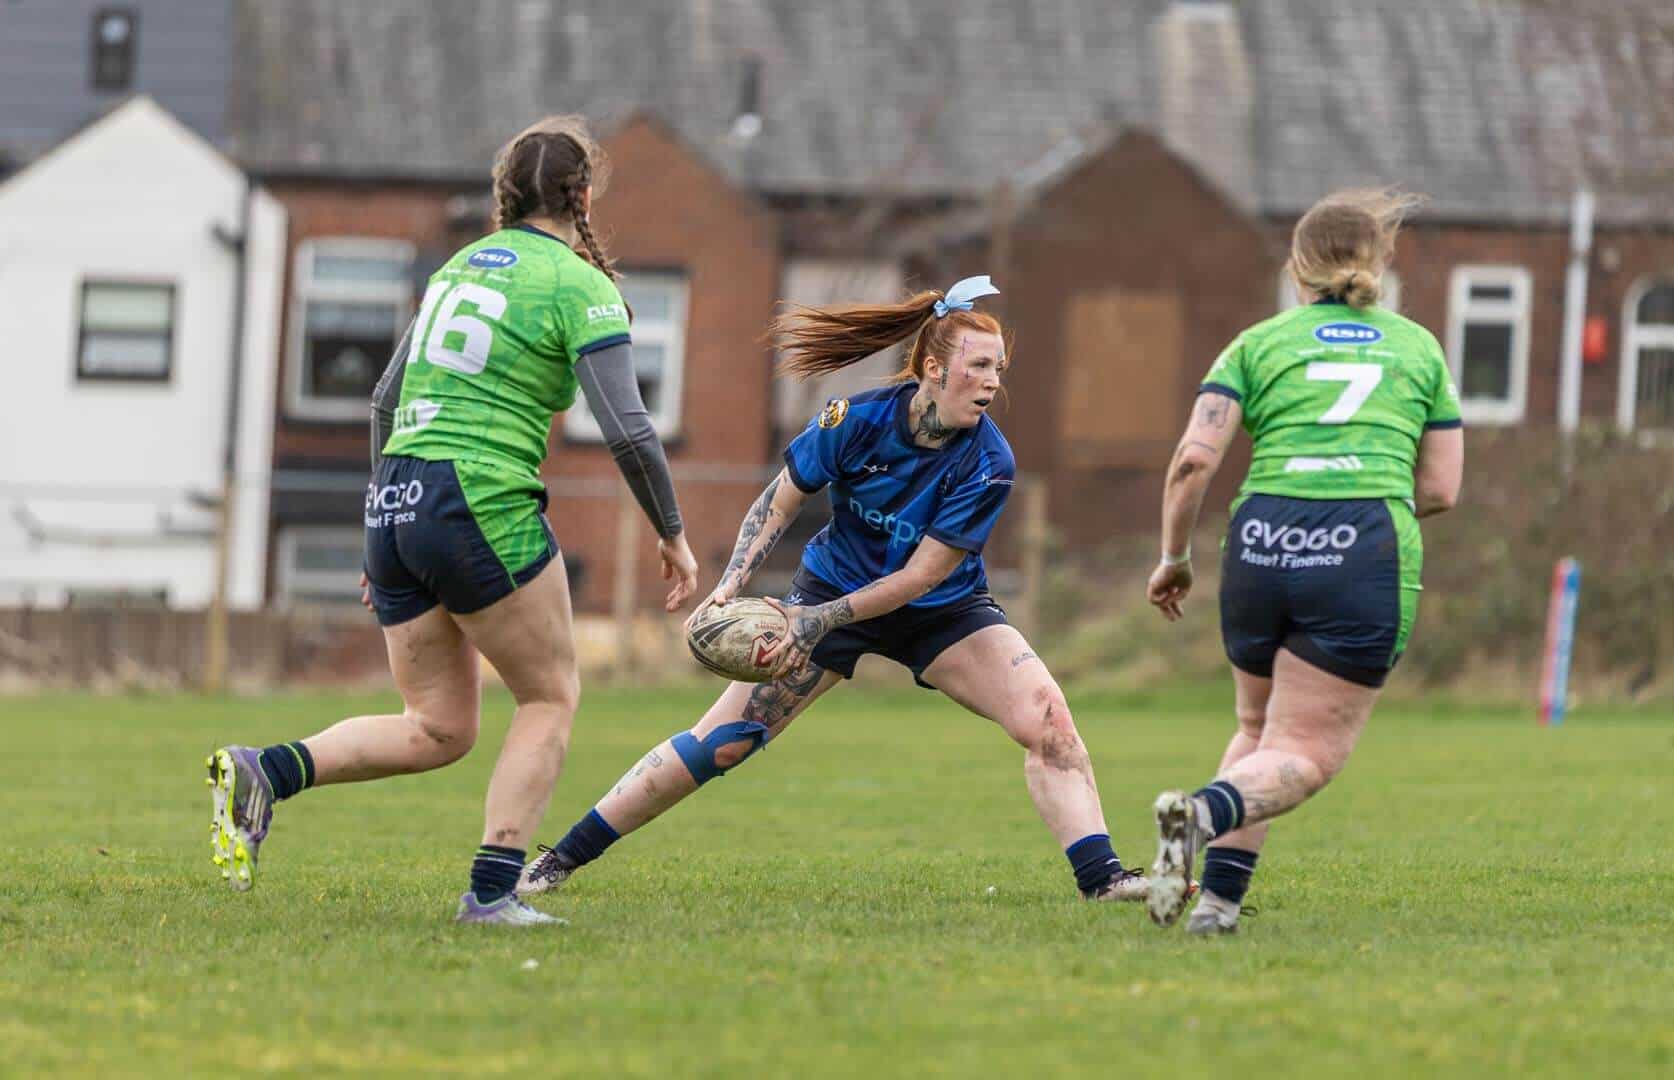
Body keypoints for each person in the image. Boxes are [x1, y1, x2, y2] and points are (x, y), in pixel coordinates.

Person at [205, 114, 700, 926]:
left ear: (507, 194)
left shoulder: (457, 267)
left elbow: (384, 400)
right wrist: (672, 532)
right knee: (549, 696)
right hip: (477, 496)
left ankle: (268, 771)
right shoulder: (580, 286)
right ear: (581, 197)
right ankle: (493, 893)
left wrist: (385, 520)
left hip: (395, 496)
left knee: (439, 727)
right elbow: (630, 430)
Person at [518, 276, 1150, 906]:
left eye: (999, 369)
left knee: (1049, 720)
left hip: (942, 611)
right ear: (934, 369)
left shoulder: (989, 462)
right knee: (721, 744)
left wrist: (811, 621)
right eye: (979, 365)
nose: (992, 382)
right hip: (834, 588)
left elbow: (921, 576)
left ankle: (1103, 879)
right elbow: (780, 501)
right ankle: (560, 858)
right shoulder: (856, 420)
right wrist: (730, 584)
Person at [1142, 189, 1464, 933]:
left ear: (1297, 268)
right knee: (1308, 754)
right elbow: (1441, 488)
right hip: (1362, 543)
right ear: (1381, 262)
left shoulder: (1257, 344)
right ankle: (1200, 816)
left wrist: (1174, 558)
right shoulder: (1417, 348)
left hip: (1260, 538)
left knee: (1258, 730)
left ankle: (1215, 906)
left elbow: (1193, 462)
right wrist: (1361, 527)